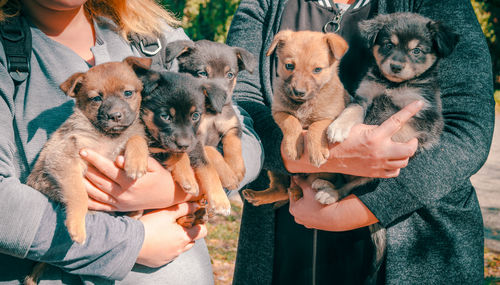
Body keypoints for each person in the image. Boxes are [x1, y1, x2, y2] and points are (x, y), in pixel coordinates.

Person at [226, 0, 494, 284]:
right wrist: (311, 152)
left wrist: (362, 207)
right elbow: (238, 103)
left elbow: (468, 129)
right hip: (283, 240)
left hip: (414, 245)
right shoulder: (265, 4)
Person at [0, 0, 262, 284]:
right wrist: (135, 241)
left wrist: (172, 190)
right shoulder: (8, 50)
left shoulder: (147, 32)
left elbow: (243, 133)